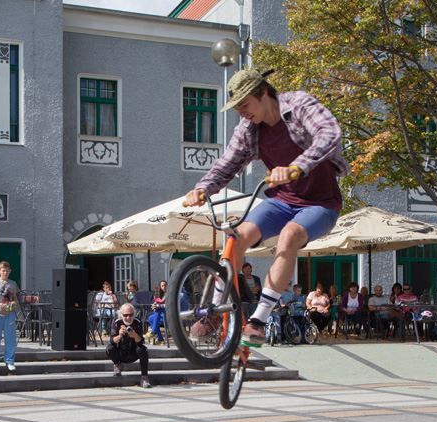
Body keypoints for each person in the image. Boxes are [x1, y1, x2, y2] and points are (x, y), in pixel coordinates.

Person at [184, 68, 347, 346]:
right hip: (281, 201)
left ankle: (258, 321)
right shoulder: (248, 130)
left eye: (245, 105)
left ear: (263, 93)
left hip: (320, 204)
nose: (242, 113)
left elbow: (329, 133)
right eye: (237, 108)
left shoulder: (298, 105)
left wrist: (298, 166)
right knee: (237, 236)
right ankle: (214, 310)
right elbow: (227, 163)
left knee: (289, 236)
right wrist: (202, 188)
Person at [108, 302, 151, 388]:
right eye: (125, 315)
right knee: (109, 348)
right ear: (121, 315)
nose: (128, 318)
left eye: (131, 315)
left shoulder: (137, 322)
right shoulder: (117, 322)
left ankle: (144, 377)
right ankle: (117, 364)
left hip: (133, 353)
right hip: (121, 353)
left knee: (143, 349)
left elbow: (141, 342)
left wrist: (134, 335)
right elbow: (112, 341)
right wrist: (120, 335)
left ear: (134, 314)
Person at [147, 280, 168, 344]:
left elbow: (168, 306)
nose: (164, 287)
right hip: (160, 317)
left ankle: (155, 333)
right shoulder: (159, 295)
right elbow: (155, 304)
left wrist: (158, 306)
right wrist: (153, 306)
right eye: (162, 286)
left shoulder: (170, 294)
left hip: (168, 317)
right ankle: (159, 338)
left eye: (165, 285)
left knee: (158, 311)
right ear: (160, 287)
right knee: (150, 318)